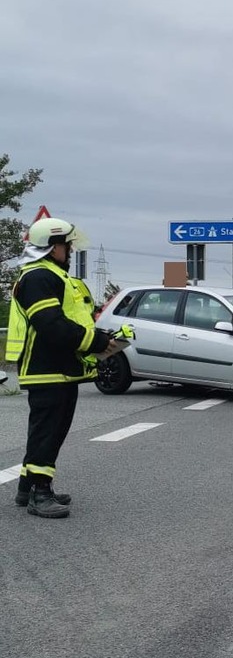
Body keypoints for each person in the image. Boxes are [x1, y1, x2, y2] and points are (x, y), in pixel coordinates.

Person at [6, 217, 113, 518]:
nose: (69, 250)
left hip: (57, 368)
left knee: (46, 430)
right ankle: (40, 496)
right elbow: (51, 324)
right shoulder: (40, 277)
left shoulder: (49, 275)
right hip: (46, 368)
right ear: (53, 247)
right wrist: (94, 341)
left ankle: (28, 488)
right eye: (66, 245)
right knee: (48, 431)